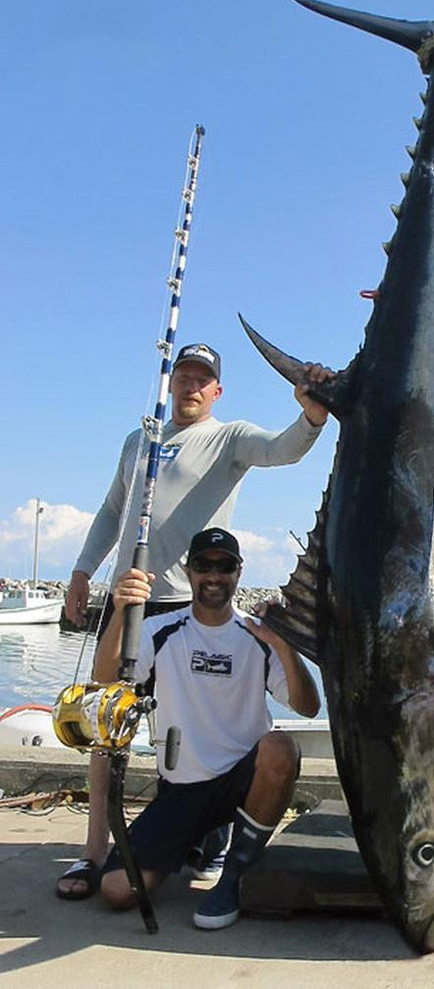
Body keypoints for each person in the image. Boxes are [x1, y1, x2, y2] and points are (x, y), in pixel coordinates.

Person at [57, 342, 331, 901]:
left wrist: (312, 416)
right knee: (108, 728)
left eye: (201, 379)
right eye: (182, 376)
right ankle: (93, 854)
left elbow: (283, 451)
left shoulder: (229, 438)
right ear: (170, 382)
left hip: (191, 603)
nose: (190, 386)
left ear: (216, 391)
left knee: (204, 721)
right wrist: (85, 569)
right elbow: (114, 510)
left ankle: (210, 837)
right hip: (131, 599)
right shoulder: (140, 439)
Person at [95, 528, 320, 930]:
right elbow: (106, 682)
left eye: (225, 566)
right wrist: (121, 611)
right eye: (204, 565)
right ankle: (204, 840)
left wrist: (285, 644)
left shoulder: (258, 635)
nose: (214, 576)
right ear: (188, 571)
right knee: (116, 891)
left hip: (240, 782)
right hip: (182, 788)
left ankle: (232, 878)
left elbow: (308, 707)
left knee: (281, 747)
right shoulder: (161, 630)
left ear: (239, 572)